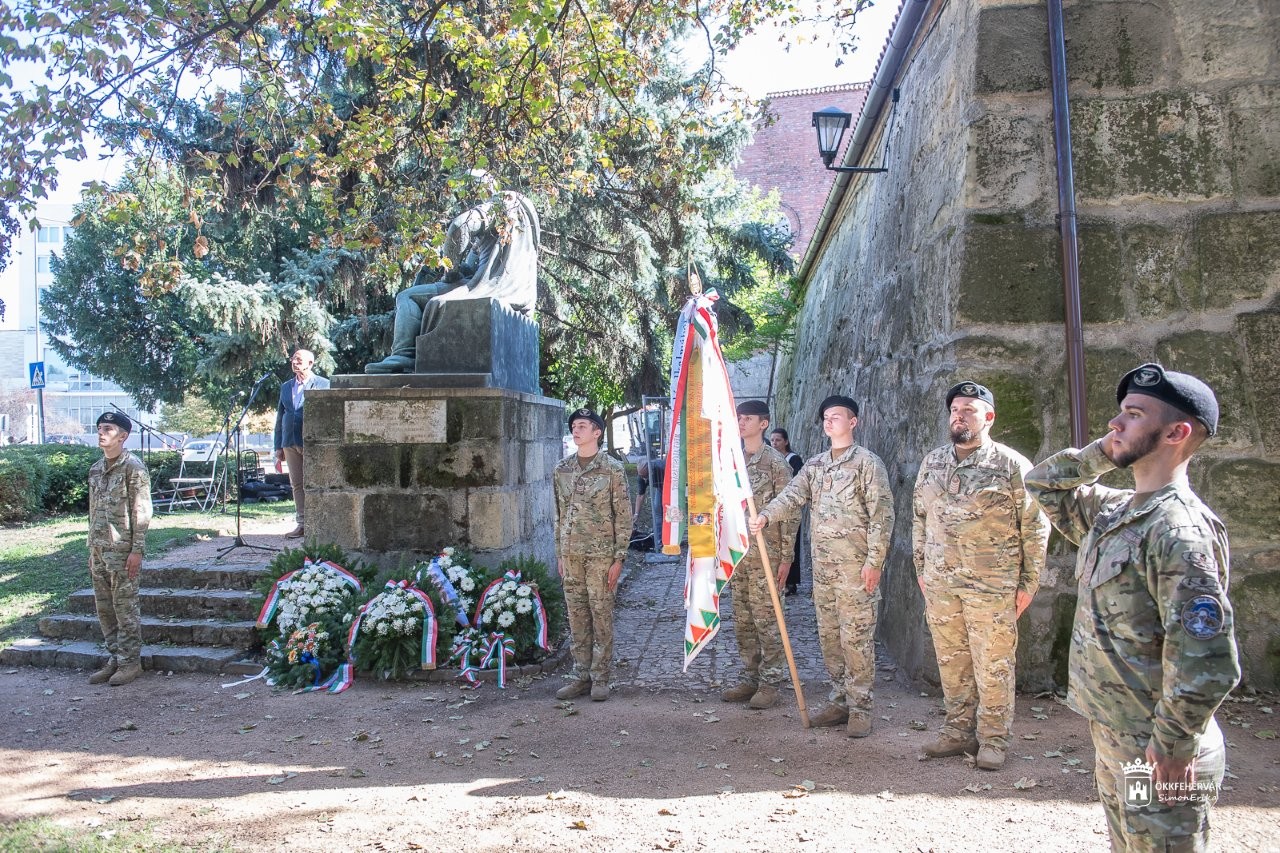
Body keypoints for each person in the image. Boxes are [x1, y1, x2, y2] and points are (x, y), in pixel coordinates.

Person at [1026, 363, 1240, 851]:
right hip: (1117, 735)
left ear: (1176, 433)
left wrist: (1172, 747)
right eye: (1118, 413)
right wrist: (1107, 451)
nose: (1114, 424)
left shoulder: (1179, 531)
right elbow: (1042, 482)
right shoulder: (1115, 511)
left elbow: (1206, 661)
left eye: (1133, 415)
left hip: (1156, 748)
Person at [913, 381, 1049, 770]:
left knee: (993, 664)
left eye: (969, 409)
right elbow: (919, 517)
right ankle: (957, 732)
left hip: (992, 585)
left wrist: (1029, 583)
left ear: (988, 417)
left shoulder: (1010, 465)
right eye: (955, 409)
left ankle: (993, 739)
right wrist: (921, 568)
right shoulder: (933, 462)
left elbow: (1036, 526)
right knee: (951, 660)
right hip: (941, 583)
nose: (959, 415)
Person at [750, 395, 894, 736]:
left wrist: (875, 563)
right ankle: (839, 700)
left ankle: (861, 707)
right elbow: (792, 496)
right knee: (830, 639)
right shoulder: (815, 466)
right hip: (825, 573)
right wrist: (767, 515)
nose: (829, 422)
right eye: (826, 417)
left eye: (837, 416)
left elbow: (882, 516)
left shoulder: (867, 464)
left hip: (857, 571)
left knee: (855, 639)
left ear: (853, 422)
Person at [365, 189, 540, 373]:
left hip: (488, 288)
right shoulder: (528, 228)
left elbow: (459, 226)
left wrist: (450, 271)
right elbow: (471, 268)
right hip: (519, 298)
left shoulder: (498, 208)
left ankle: (403, 356)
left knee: (407, 297)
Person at [553, 408, 631, 702]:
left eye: (583, 426)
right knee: (577, 617)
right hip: (571, 555)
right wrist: (560, 553)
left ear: (597, 432)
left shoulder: (612, 469)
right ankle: (579, 675)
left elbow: (622, 516)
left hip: (601, 557)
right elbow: (558, 515)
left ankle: (601, 677)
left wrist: (619, 557)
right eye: (574, 426)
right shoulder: (562, 469)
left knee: (601, 616)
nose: (576, 430)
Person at [722, 400, 796, 710]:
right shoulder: (731, 461)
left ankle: (771, 681)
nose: (741, 422)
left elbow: (790, 510)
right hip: (738, 553)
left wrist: (788, 557)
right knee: (743, 620)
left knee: (767, 620)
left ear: (763, 424)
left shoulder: (776, 463)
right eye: (739, 417)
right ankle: (750, 675)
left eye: (748, 418)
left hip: (767, 552)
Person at [86, 411, 153, 686]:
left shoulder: (132, 468)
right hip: (99, 549)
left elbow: (142, 511)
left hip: (123, 550)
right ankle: (114, 658)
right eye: (100, 428)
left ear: (123, 436)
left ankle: (129, 663)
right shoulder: (95, 469)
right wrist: (92, 547)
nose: (102, 433)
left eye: (109, 429)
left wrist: (137, 550)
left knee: (125, 609)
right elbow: (92, 511)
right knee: (105, 609)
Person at [273, 349, 330, 539]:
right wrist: (278, 446)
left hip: (313, 442)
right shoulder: (286, 386)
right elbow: (281, 416)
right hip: (289, 441)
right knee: (297, 484)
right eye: (293, 359)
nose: (294, 362)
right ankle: (302, 524)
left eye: (298, 359)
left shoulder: (323, 384)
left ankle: (321, 524)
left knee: (317, 483)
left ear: (310, 363)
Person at [770, 427, 805, 595]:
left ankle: (791, 582)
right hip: (774, 508)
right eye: (772, 440)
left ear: (786, 441)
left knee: (792, 545)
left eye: (778, 440)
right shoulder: (771, 459)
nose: (774, 443)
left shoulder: (793, 459)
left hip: (790, 508)